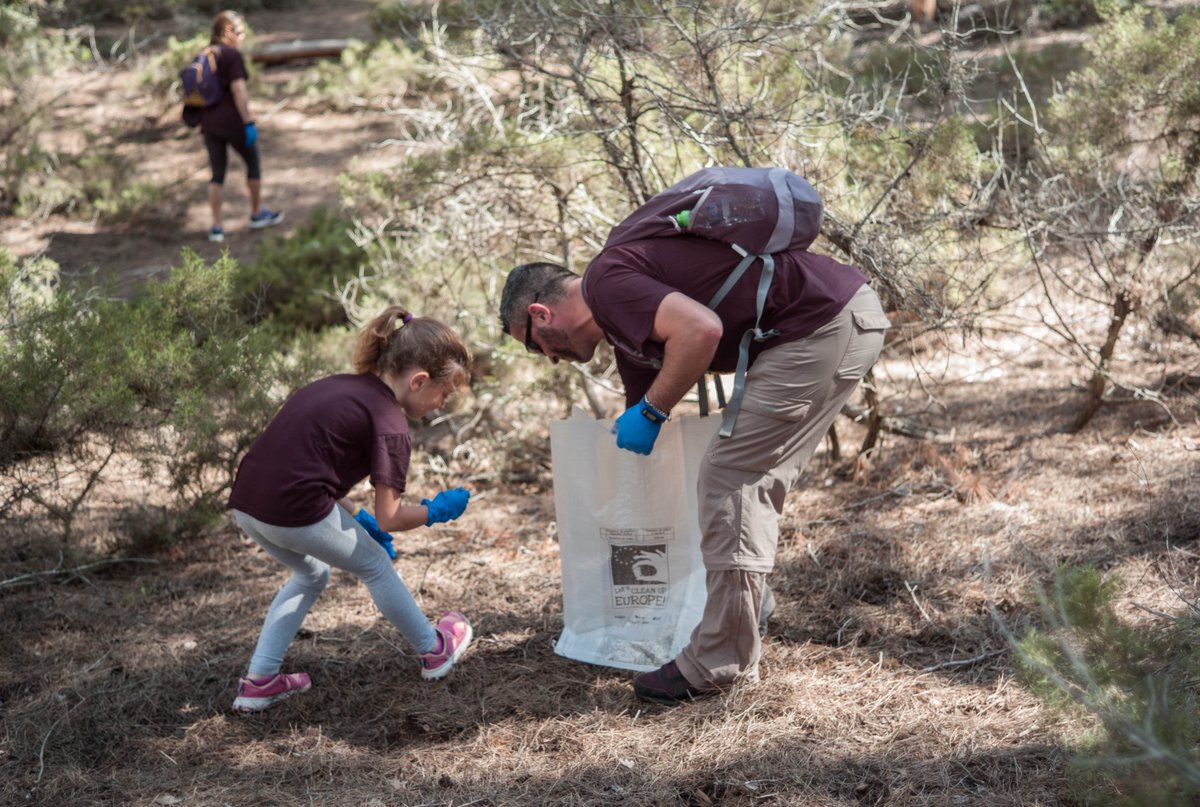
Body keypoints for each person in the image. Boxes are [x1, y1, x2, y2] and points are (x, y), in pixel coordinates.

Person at [498, 183, 890, 705]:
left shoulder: (607, 282)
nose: (546, 357)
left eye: (531, 343)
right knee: (739, 475)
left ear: (541, 315)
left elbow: (701, 332)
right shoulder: (623, 324)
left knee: (732, 475)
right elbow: (647, 417)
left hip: (820, 325)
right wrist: (637, 429)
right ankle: (744, 612)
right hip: (835, 319)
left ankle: (720, 659)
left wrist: (655, 411)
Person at [227, 306, 475, 713]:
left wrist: (349, 515)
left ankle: (260, 681)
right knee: (375, 563)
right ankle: (434, 651)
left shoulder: (341, 386)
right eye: (444, 394)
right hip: (294, 508)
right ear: (419, 381)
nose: (442, 404)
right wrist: (434, 511)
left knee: (311, 572)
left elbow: (306, 463)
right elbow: (390, 518)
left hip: (248, 505)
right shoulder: (391, 423)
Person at [198, 10, 284, 243]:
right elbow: (238, 90)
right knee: (252, 162)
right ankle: (257, 213)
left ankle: (216, 226)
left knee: (217, 173)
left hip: (209, 123)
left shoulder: (205, 54)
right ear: (228, 31)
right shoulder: (232, 55)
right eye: (241, 32)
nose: (243, 36)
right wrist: (247, 120)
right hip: (232, 121)